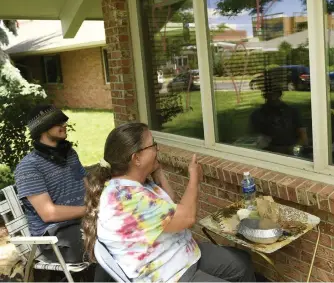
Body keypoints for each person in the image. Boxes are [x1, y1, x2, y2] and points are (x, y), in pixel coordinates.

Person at [83, 122, 255, 282]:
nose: (157, 149)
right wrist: (194, 179)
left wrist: (158, 172)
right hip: (170, 274)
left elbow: (170, 206)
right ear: (136, 158)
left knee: (242, 263)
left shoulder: (135, 182)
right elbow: (186, 218)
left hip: (181, 253)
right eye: (153, 145)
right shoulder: (127, 198)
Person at [14, 104, 110, 281]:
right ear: (43, 129)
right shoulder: (29, 168)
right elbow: (48, 213)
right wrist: (91, 211)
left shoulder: (69, 154)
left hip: (81, 223)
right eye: (57, 122)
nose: (64, 124)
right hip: (54, 239)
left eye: (63, 120)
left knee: (122, 229)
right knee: (106, 242)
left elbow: (87, 187)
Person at [250, 75, 309, 156]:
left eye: (274, 92)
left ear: (279, 94)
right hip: (269, 152)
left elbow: (303, 135)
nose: (271, 96)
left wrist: (294, 149)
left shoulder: (292, 111)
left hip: (291, 151)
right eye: (268, 93)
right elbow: (253, 137)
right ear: (264, 95)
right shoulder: (258, 114)